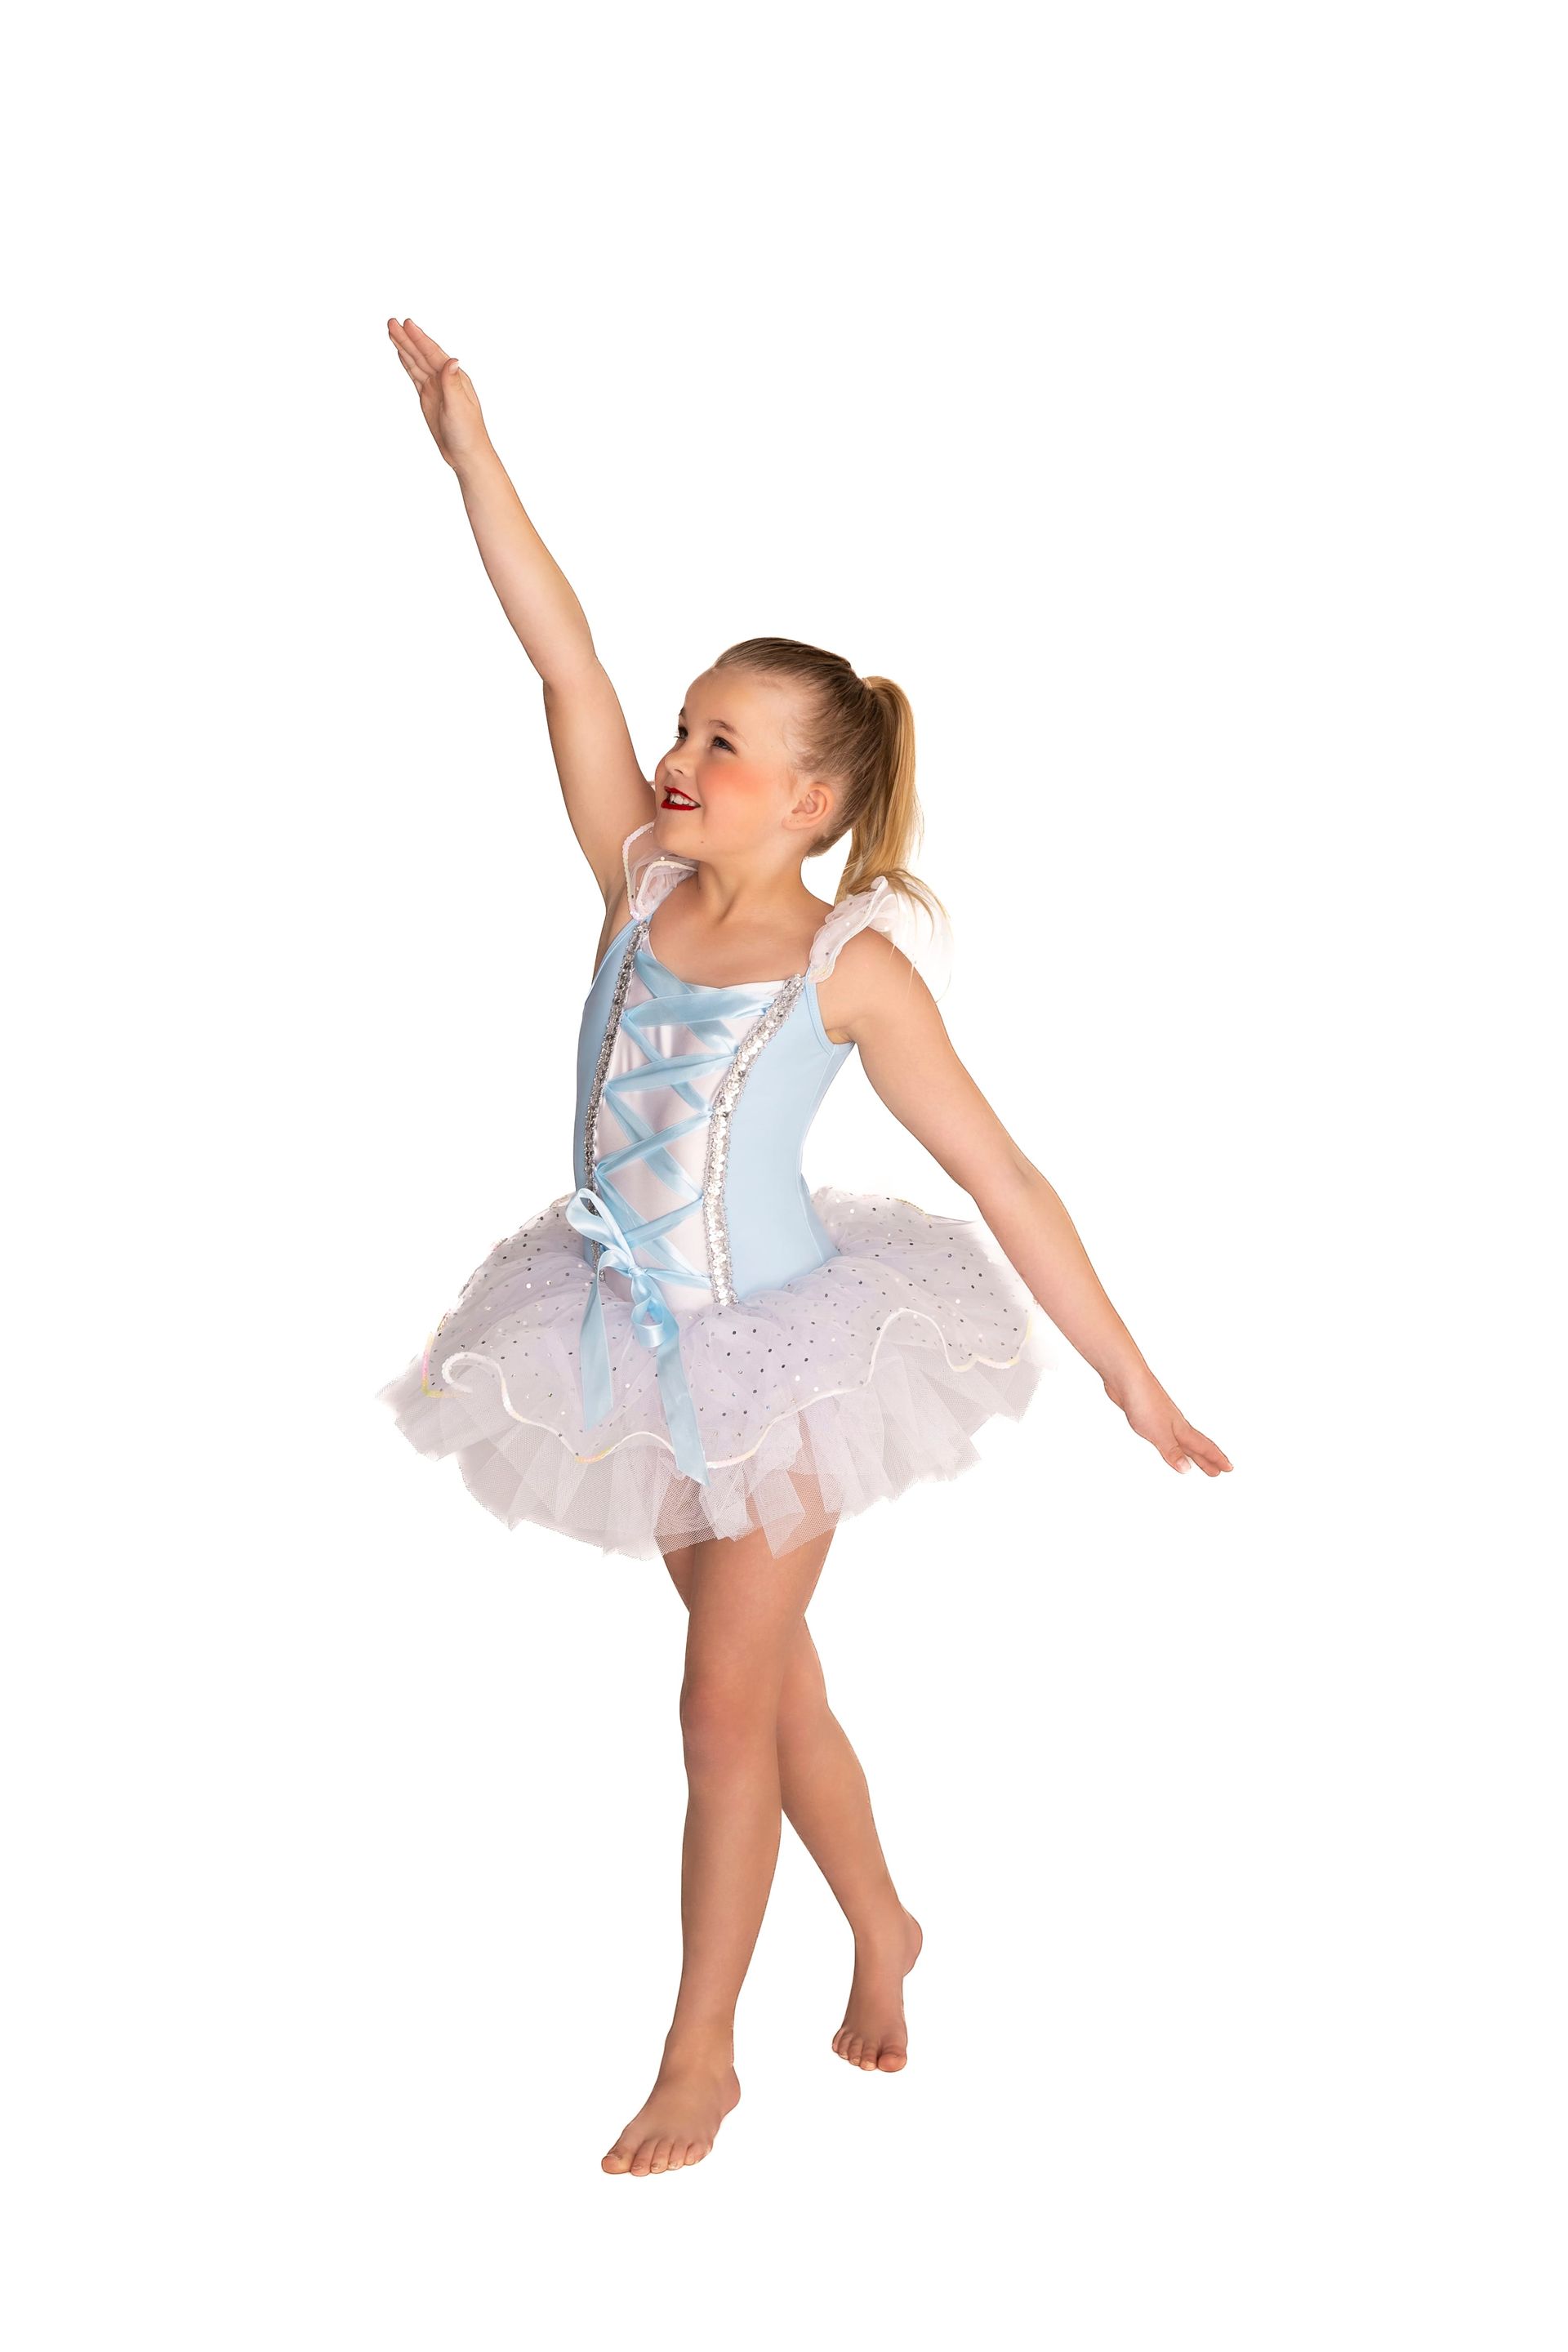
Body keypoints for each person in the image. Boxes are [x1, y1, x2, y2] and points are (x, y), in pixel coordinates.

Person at [379, 316, 1234, 2179]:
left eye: (724, 742)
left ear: (814, 799)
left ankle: (702, 2052)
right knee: (780, 1686)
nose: (677, 755)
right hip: (624, 1340)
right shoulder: (640, 879)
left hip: (782, 1367)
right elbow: (560, 660)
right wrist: (469, 448)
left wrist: (1133, 1379)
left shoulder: (847, 971)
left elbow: (1007, 1182)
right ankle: (889, 1924)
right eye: (685, 727)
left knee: (715, 1704)